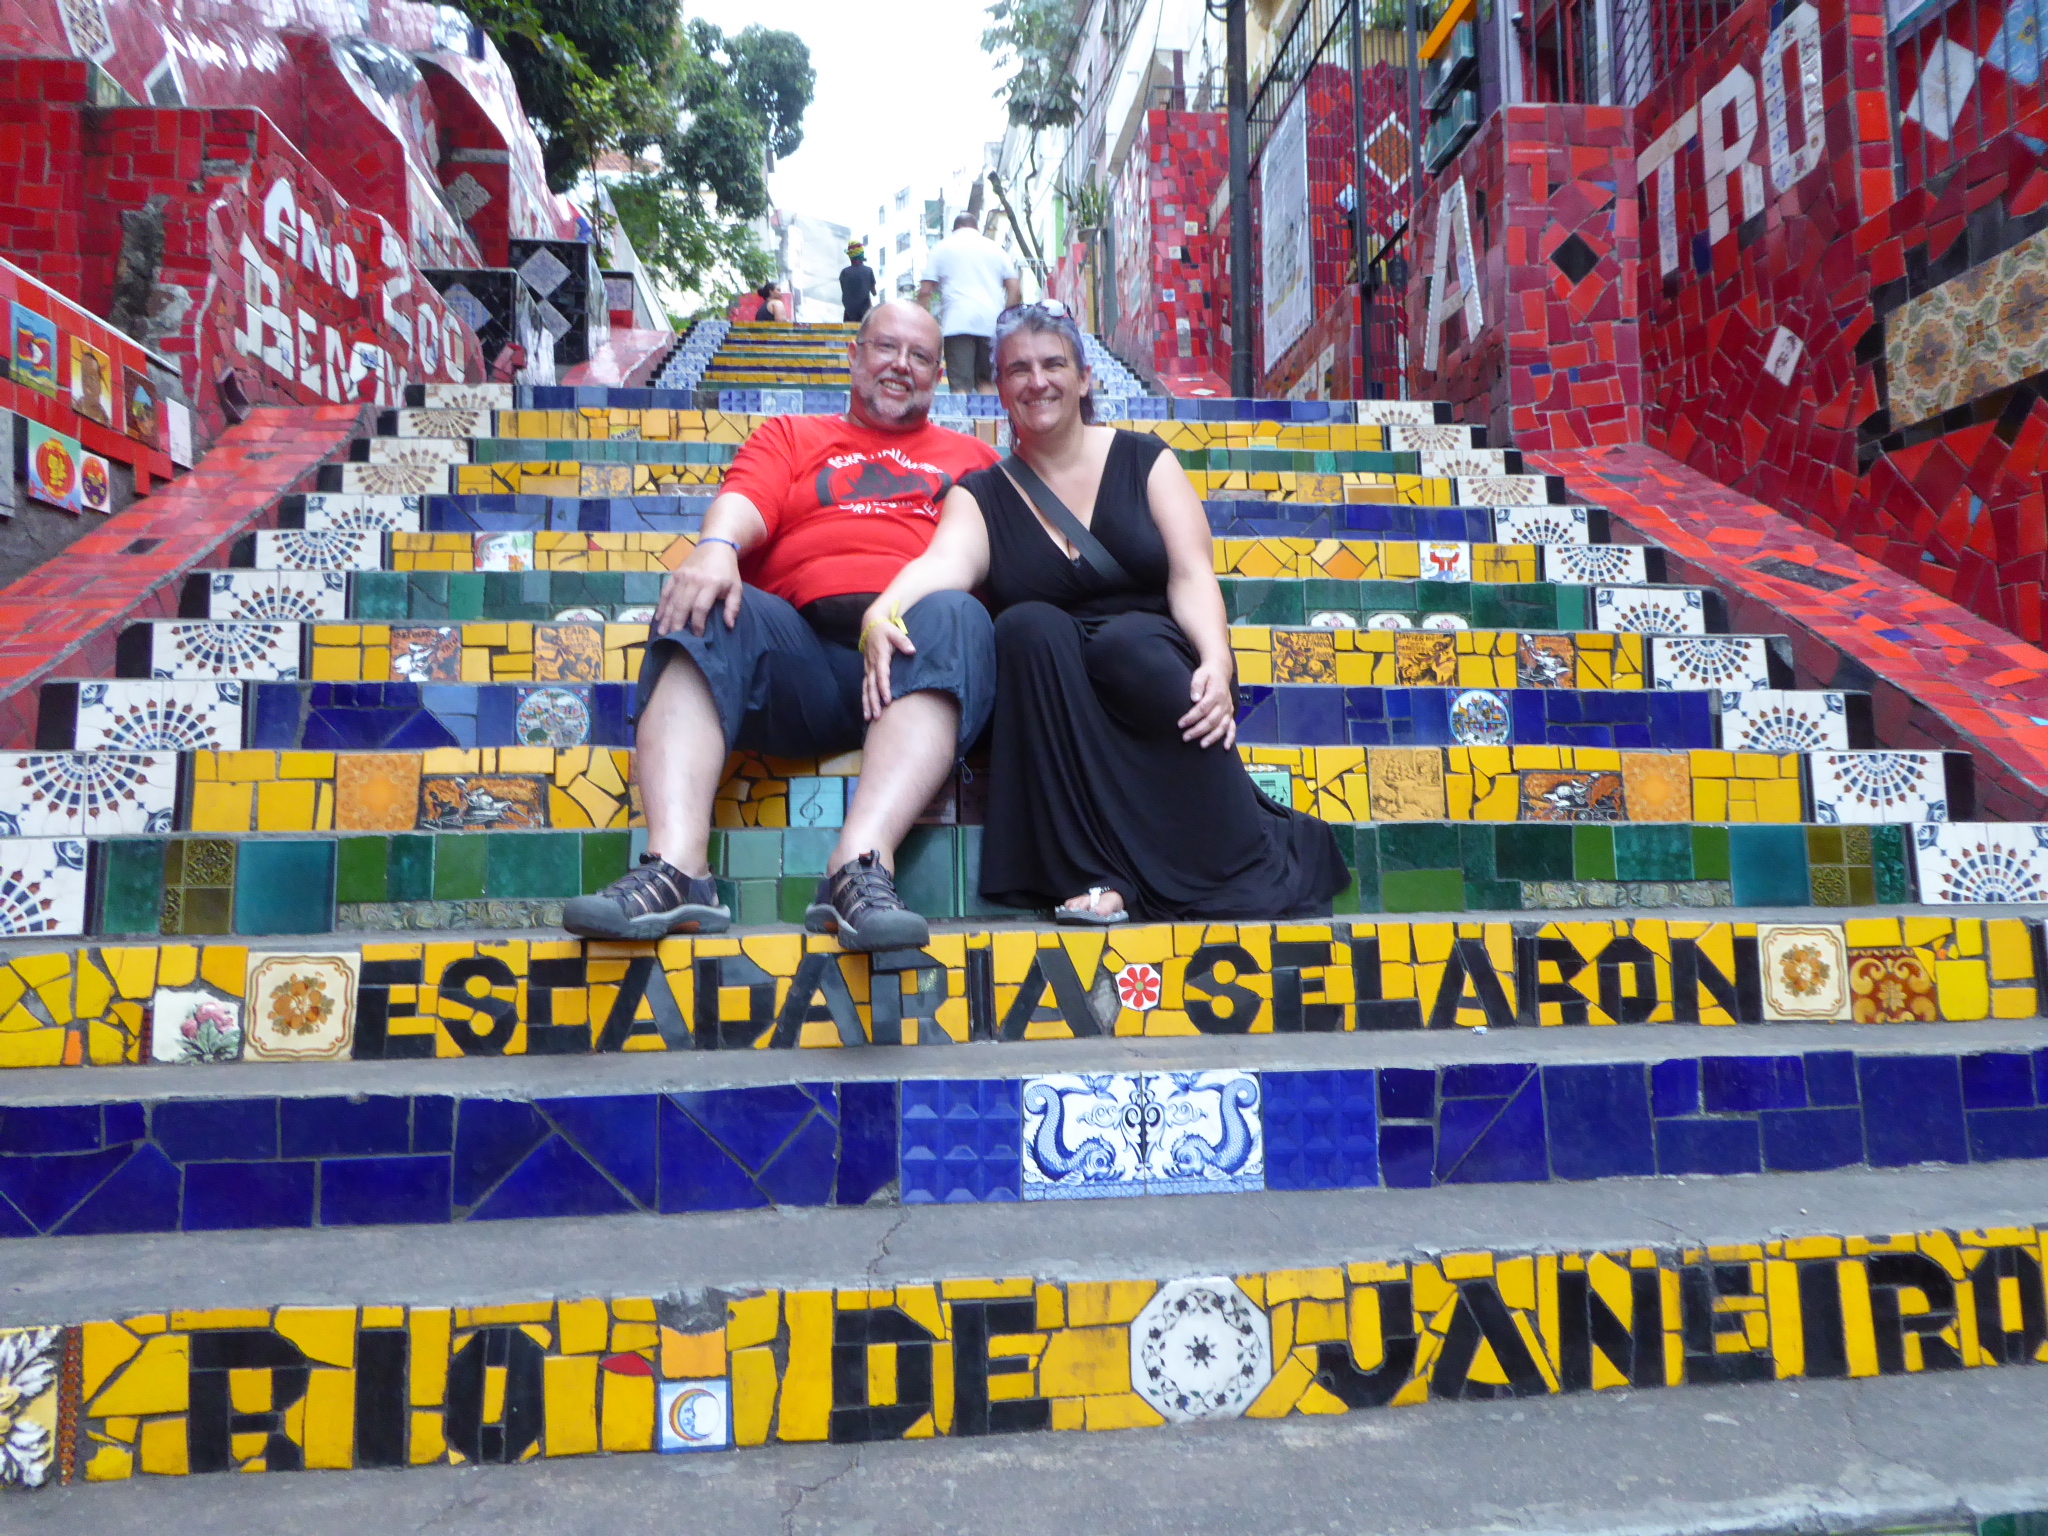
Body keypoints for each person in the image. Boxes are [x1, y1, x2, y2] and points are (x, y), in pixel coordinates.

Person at [859, 302, 1348, 924]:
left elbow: (1192, 573)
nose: (1037, 381)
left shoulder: (1147, 461)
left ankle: (1204, 859)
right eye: (1018, 370)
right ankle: (1092, 874)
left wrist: (1219, 664)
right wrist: (883, 613)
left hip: (1144, 658)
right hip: (1050, 682)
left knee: (1130, 649)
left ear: (1085, 377)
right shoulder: (981, 496)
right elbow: (942, 565)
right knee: (1026, 629)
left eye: (1053, 364)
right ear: (999, 388)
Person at [562, 301, 1000, 949]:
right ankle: (678, 869)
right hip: (799, 661)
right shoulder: (791, 436)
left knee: (957, 611)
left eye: (919, 356)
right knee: (703, 597)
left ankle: (859, 869)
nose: (900, 365)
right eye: (885, 347)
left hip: (923, 657)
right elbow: (745, 499)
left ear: (939, 375)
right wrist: (715, 548)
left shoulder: (973, 459)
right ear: (853, 355)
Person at [917, 214, 1021, 394]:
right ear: (977, 228)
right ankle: (987, 421)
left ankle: (963, 422)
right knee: (987, 383)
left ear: (954, 229)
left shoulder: (941, 249)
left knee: (960, 386)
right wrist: (1005, 319)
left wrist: (923, 326)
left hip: (957, 324)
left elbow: (926, 291)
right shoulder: (995, 249)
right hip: (991, 325)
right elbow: (1016, 290)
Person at [840, 241, 878, 324]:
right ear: (862, 255)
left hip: (849, 314)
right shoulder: (868, 271)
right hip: (865, 313)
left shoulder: (845, 272)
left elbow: (844, 291)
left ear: (850, 257)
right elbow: (874, 293)